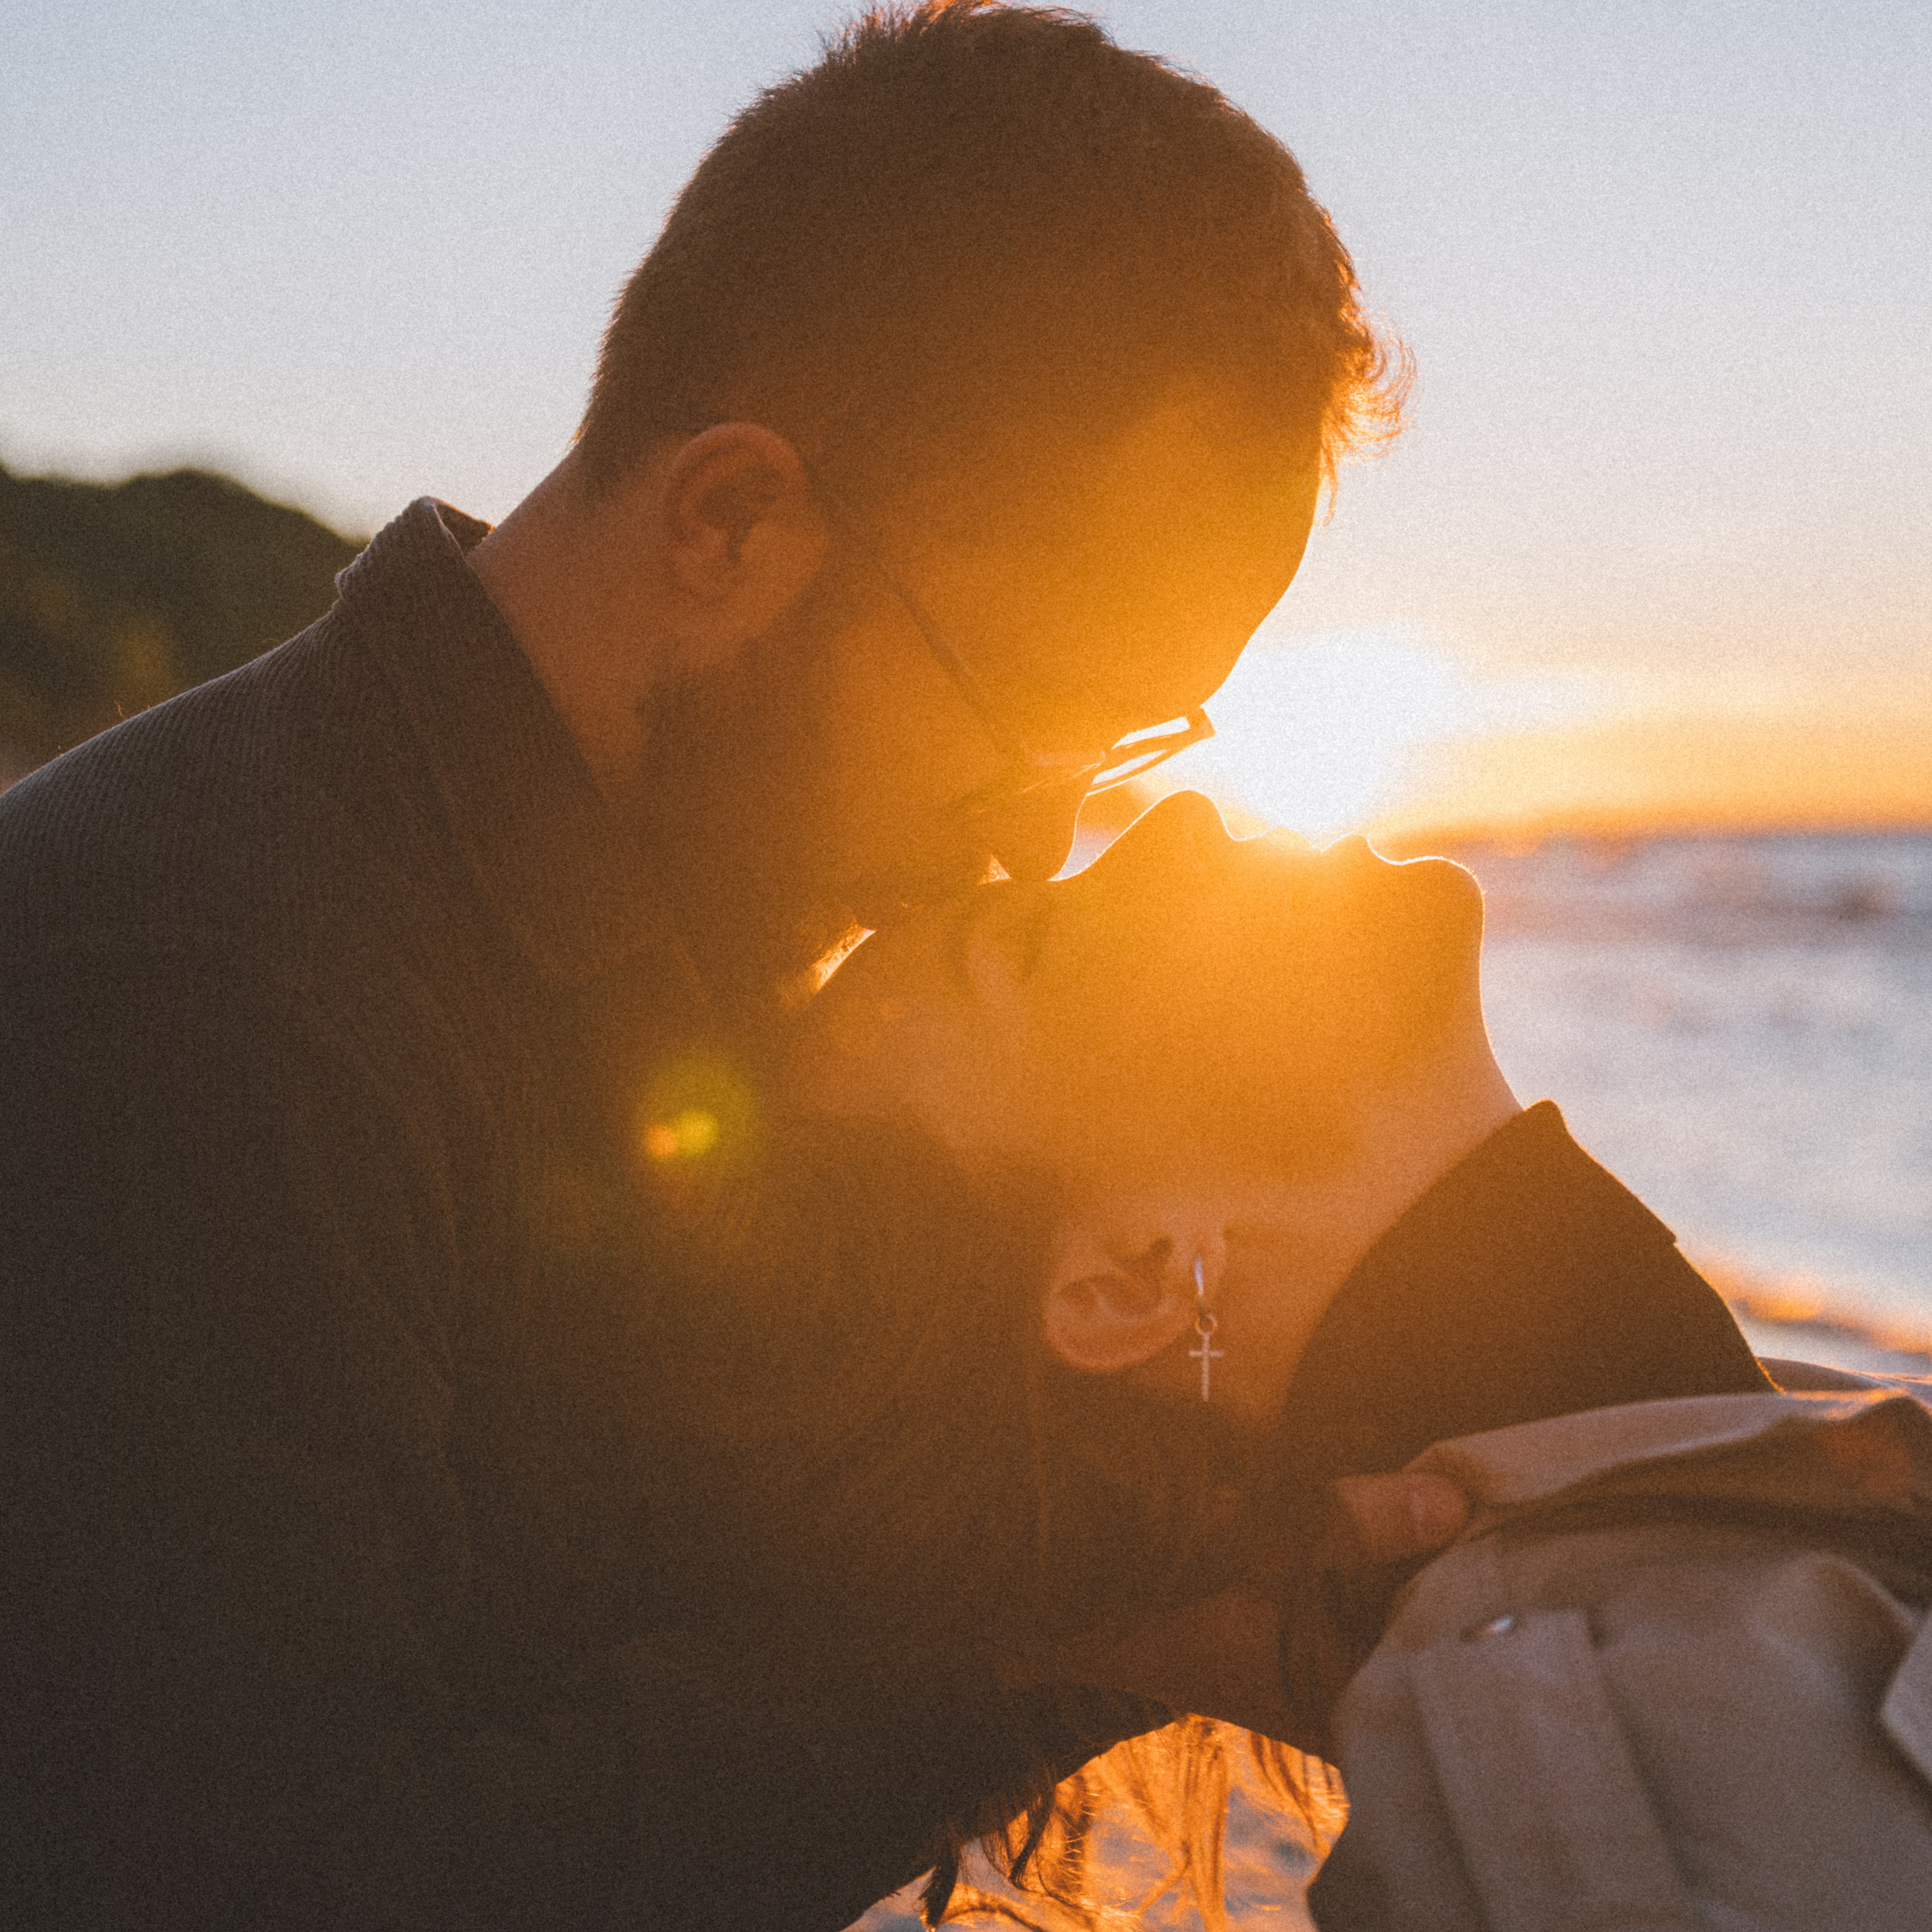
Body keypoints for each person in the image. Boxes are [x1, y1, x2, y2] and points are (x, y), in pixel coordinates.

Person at [0, 8, 1459, 1929]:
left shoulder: (653, 924)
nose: (1038, 839)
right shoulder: (201, 994)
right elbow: (266, 1872)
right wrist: (1049, 1642)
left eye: (1123, 751)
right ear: (730, 514)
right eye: (1035, 715)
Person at [778, 787, 1932, 1928]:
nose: (1176, 814)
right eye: (1028, 942)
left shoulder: (1771, 1474)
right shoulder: (1620, 1786)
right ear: (1130, 1275)